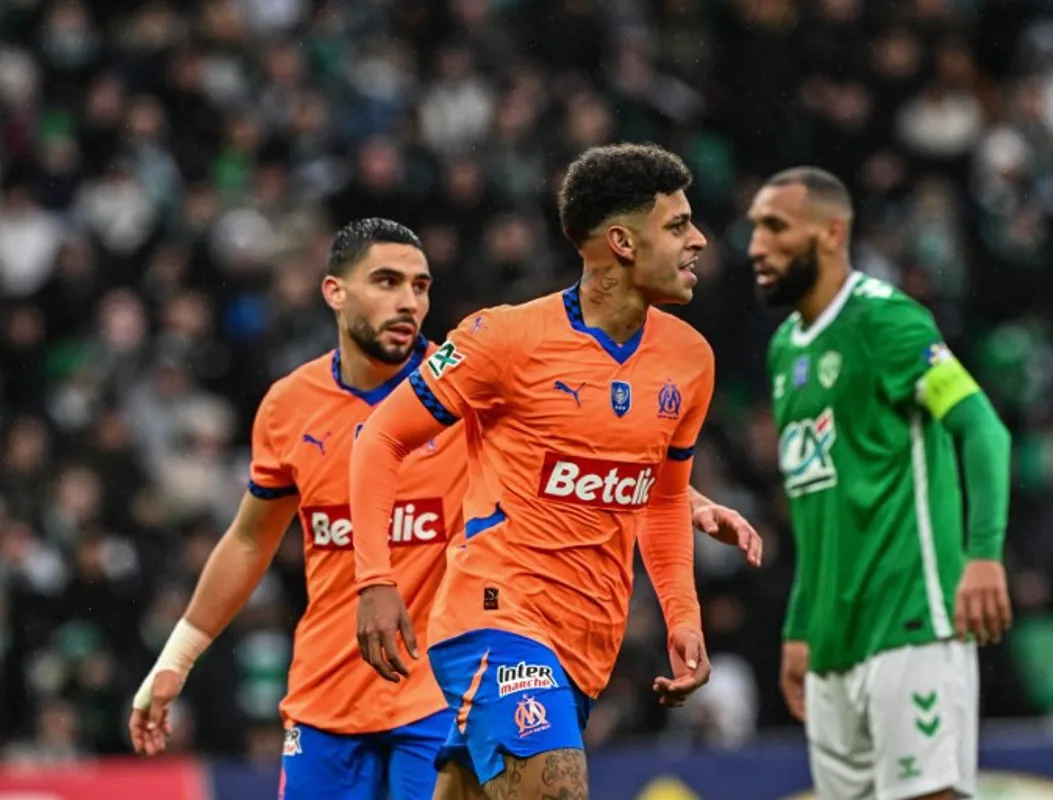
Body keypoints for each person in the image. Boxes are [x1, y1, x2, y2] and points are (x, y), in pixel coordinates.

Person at [128, 217, 758, 800]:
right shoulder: (289, 406)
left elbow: (574, 451)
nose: (408, 301)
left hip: (436, 692)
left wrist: (687, 498)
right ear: (333, 292)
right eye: (386, 282)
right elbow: (248, 541)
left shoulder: (466, 392)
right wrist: (176, 659)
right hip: (324, 699)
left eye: (421, 286)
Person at [351, 143, 723, 800]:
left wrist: (683, 617)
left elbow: (662, 500)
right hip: (497, 609)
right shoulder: (505, 340)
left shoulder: (690, 360)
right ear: (621, 242)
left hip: (585, 642)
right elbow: (381, 436)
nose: (697, 241)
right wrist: (375, 580)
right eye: (677, 226)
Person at [746, 167, 1013, 800]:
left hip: (911, 621)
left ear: (832, 233)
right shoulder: (786, 348)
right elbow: (816, 506)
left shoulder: (888, 322)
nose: (756, 245)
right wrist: (799, 627)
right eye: (755, 227)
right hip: (832, 646)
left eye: (776, 227)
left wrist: (984, 556)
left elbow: (982, 429)